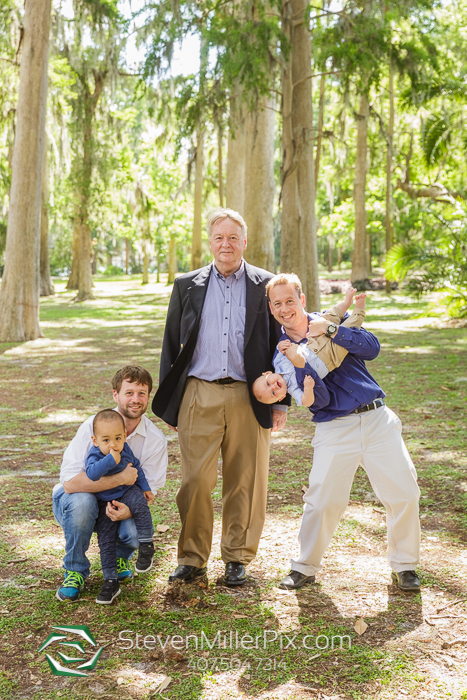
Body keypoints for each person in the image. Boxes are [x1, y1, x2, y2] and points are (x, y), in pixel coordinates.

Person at [152, 208, 296, 587]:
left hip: (251, 395)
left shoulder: (264, 285)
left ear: (244, 242)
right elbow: (170, 345)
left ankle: (237, 556)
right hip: (198, 393)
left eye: (234, 237)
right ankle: (192, 557)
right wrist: (171, 401)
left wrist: (280, 401)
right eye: (219, 237)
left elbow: (279, 346)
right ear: (210, 242)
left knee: (245, 479)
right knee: (195, 480)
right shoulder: (187, 285)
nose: (226, 244)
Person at [265, 273, 421, 592]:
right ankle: (305, 567)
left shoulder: (329, 319)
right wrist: (300, 365)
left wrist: (333, 330)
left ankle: (405, 566)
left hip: (377, 418)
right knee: (322, 500)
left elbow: (372, 347)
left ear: (302, 300)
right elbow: (315, 400)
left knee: (404, 491)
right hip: (334, 428)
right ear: (271, 308)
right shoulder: (280, 358)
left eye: (290, 301)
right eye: (277, 303)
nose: (285, 308)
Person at [52, 366, 167, 602]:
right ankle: (75, 570)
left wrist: (128, 512)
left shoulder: (155, 439)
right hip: (76, 502)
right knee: (83, 503)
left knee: (137, 528)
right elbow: (71, 485)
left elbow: (148, 493)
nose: (136, 399)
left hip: (118, 502)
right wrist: (120, 479)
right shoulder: (92, 427)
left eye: (142, 393)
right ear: (116, 395)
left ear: (148, 396)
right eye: (129, 392)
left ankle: (120, 556)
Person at [253, 287, 366, 407]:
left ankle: (346, 303)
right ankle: (359, 311)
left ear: (267, 373)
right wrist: (308, 388)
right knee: (347, 329)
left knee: (328, 317)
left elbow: (280, 349)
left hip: (313, 342)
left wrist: (281, 346)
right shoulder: (293, 388)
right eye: (274, 393)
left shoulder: (277, 363)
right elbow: (306, 402)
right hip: (330, 357)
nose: (274, 387)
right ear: (281, 398)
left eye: (268, 384)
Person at [85, 409, 155, 604]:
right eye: (106, 440)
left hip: (127, 492)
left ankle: (147, 545)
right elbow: (91, 474)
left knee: (140, 502)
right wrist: (110, 460)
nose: (113, 444)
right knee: (106, 542)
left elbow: (136, 466)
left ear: (125, 436)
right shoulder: (95, 456)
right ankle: (110, 581)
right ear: (95, 440)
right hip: (105, 503)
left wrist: (145, 488)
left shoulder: (125, 450)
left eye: (117, 438)